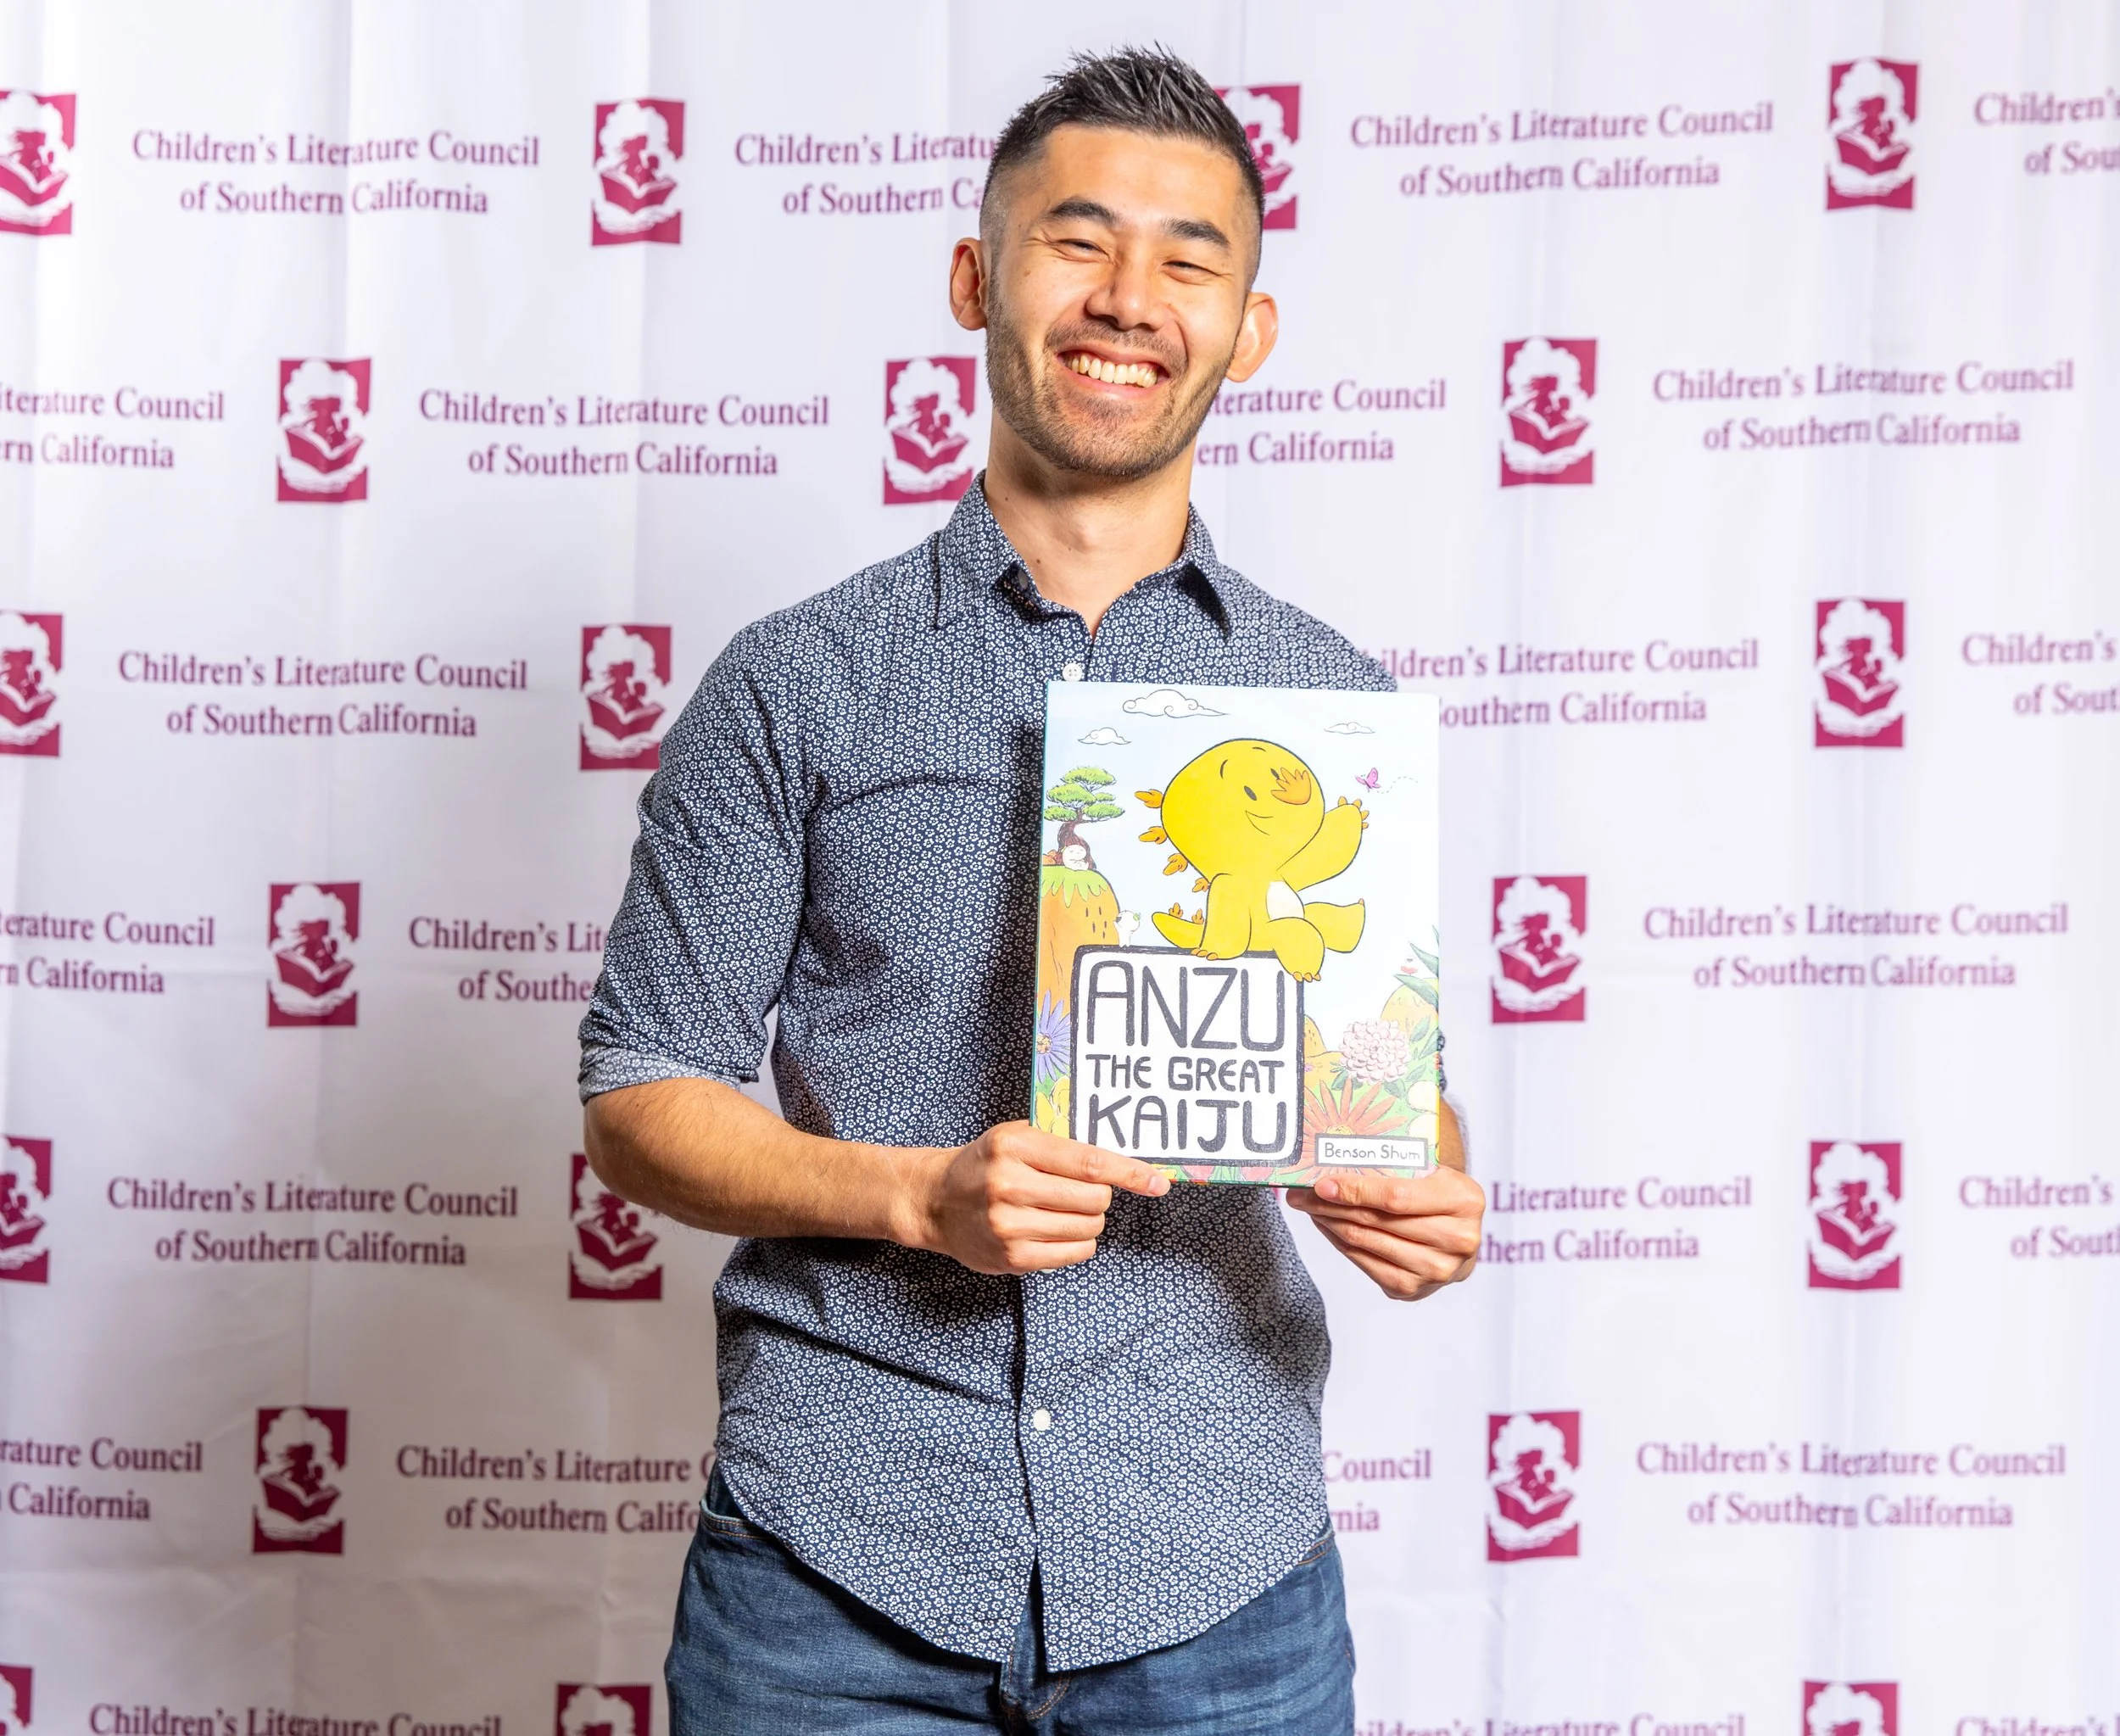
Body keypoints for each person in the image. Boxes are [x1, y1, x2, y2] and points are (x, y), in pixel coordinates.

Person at [579, 46, 1484, 1736]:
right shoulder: (794, 684)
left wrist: (1420, 1187)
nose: (1127, 296)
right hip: (833, 1570)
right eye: (1076, 241)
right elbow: (641, 1094)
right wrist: (916, 1200)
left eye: (1187, 258)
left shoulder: (1332, 707)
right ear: (975, 280)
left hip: (1213, 1562)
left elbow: (1386, 1096)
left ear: (1248, 328)